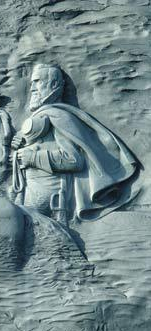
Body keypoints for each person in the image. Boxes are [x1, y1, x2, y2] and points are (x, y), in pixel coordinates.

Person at [11, 63, 139, 223]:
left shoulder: (60, 116)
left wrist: (33, 158)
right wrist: (18, 147)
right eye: (31, 83)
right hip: (27, 188)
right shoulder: (41, 116)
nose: (32, 89)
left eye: (37, 81)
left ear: (54, 84)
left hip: (48, 194)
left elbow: (74, 160)